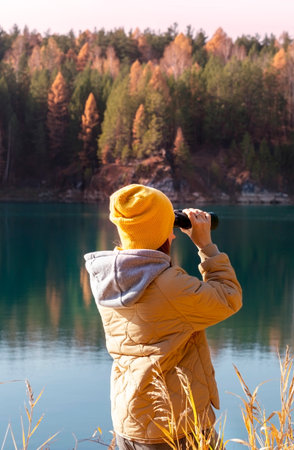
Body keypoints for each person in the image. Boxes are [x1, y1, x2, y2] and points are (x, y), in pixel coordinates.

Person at [84, 184, 242, 449]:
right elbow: (229, 297)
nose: (174, 233)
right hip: (174, 425)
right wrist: (206, 245)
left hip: (130, 420)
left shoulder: (109, 277)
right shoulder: (168, 285)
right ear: (162, 230)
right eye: (169, 224)